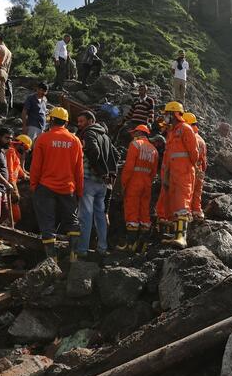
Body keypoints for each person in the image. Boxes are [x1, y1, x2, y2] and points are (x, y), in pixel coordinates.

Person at [29, 107, 83, 262]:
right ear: (66, 122)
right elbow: (78, 169)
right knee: (72, 222)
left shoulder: (43, 138)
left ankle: (52, 260)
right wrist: (79, 191)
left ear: (51, 120)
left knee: (47, 223)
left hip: (45, 187)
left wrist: (33, 185)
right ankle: (74, 256)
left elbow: (35, 166)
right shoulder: (75, 141)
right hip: (68, 188)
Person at [154, 101, 199, 248]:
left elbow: (194, 153)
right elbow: (168, 156)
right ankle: (176, 235)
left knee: (181, 203)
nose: (165, 117)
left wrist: (188, 168)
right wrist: (166, 175)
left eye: (167, 114)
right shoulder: (172, 132)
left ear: (174, 114)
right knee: (173, 203)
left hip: (184, 172)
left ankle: (182, 237)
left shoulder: (185, 129)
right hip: (173, 174)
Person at [75, 110, 118, 259]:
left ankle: (82, 249)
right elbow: (116, 155)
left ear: (90, 121)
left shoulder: (89, 133)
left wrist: (97, 168)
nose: (79, 124)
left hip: (89, 180)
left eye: (81, 121)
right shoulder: (105, 136)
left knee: (85, 216)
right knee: (100, 215)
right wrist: (107, 172)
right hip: (102, 183)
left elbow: (94, 151)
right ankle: (102, 247)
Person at [119, 124, 159, 253]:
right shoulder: (154, 150)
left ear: (138, 133)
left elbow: (129, 167)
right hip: (147, 183)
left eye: (134, 133)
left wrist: (123, 184)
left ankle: (130, 245)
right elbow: (154, 172)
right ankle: (142, 245)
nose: (132, 135)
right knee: (144, 212)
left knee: (132, 210)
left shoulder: (135, 145)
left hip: (134, 182)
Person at [184, 113, 207, 221]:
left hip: (191, 168)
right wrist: (202, 170)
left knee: (188, 193)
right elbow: (204, 159)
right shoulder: (201, 139)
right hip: (200, 169)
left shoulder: (191, 137)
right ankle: (197, 212)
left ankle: (188, 215)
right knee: (197, 194)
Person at [5, 134, 32, 225]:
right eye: (25, 148)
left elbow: (18, 169)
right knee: (14, 215)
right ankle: (3, 227)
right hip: (8, 186)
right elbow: (9, 172)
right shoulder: (10, 152)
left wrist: (27, 176)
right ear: (20, 144)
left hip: (10, 184)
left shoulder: (15, 153)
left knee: (15, 215)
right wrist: (13, 188)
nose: (25, 151)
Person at [0, 34, 13, 116]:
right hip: (5, 72)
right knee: (2, 93)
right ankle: (4, 112)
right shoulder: (9, 52)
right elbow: (9, 66)